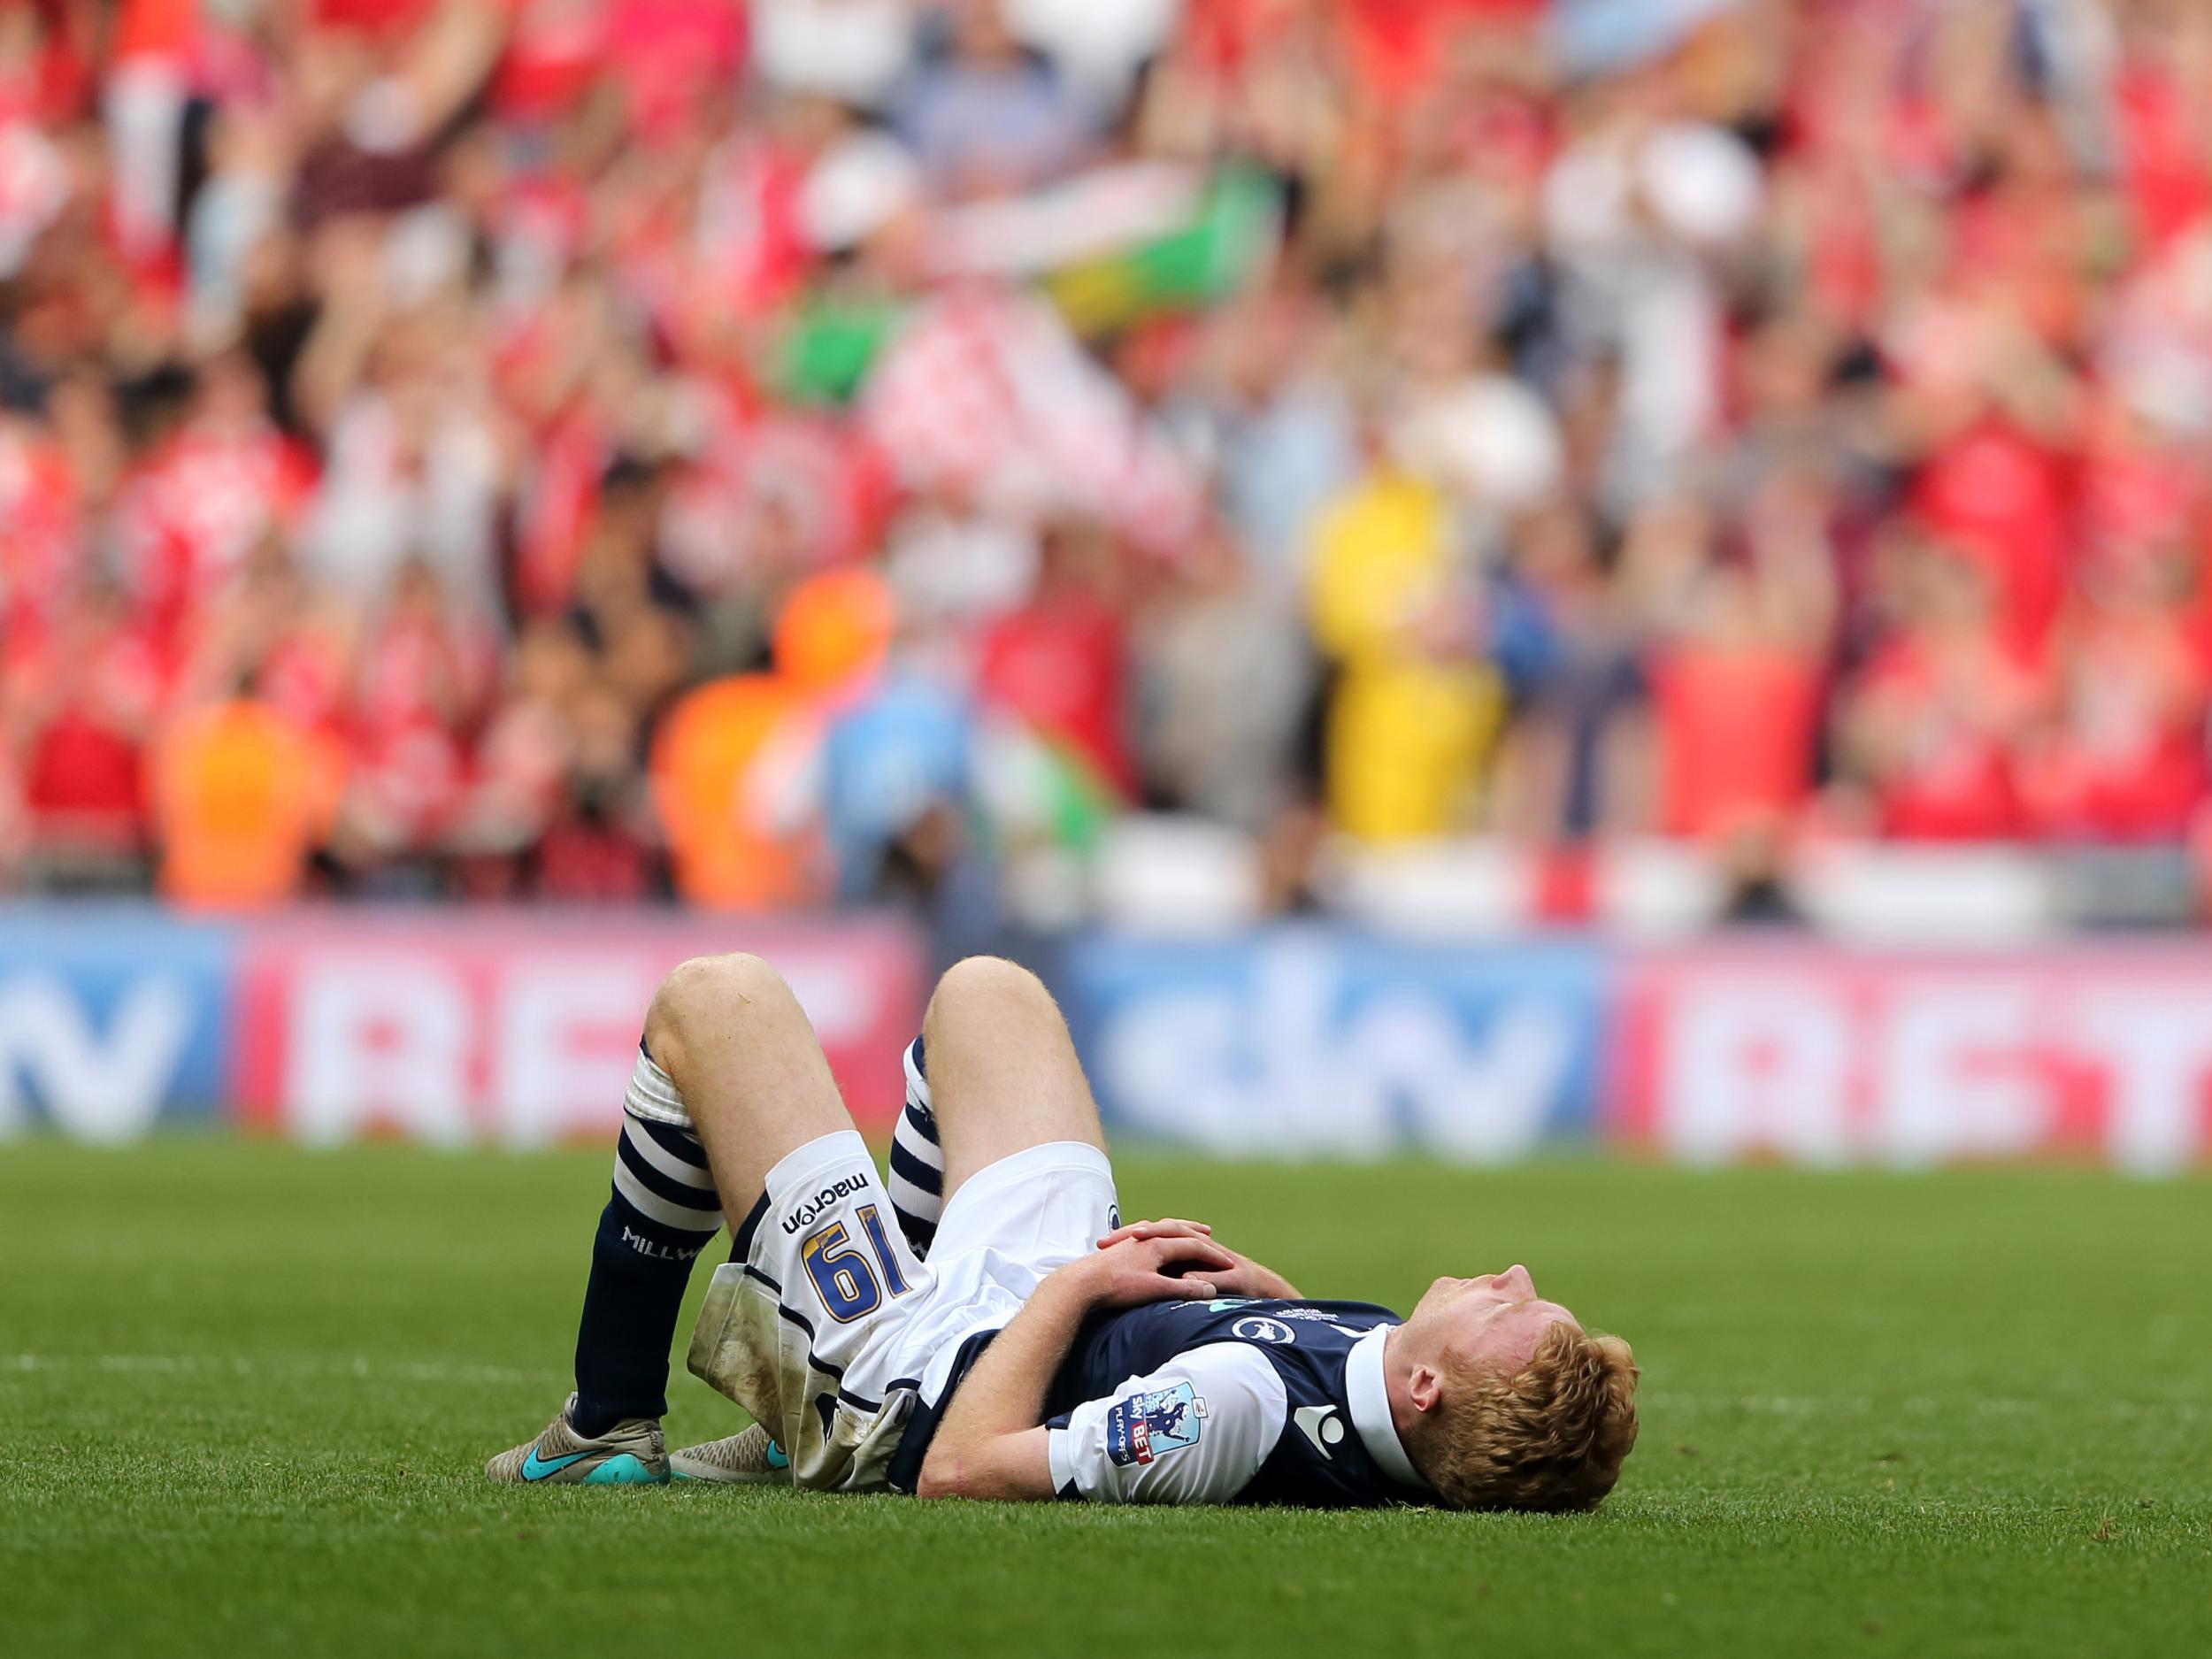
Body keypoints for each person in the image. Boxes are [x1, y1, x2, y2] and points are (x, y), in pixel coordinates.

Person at [487, 954, 1640, 1509]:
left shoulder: (1227, 1407)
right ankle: (774, 1421)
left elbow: (962, 1469)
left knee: (717, 1000)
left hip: (924, 1378)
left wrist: (1085, 1292)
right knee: (991, 995)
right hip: (1031, 1300)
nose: (1516, 1273)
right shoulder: (1389, 1383)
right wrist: (1263, 1300)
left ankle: (607, 1418)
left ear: (1434, 1392)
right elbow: (1313, 1403)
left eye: (1517, 1311)